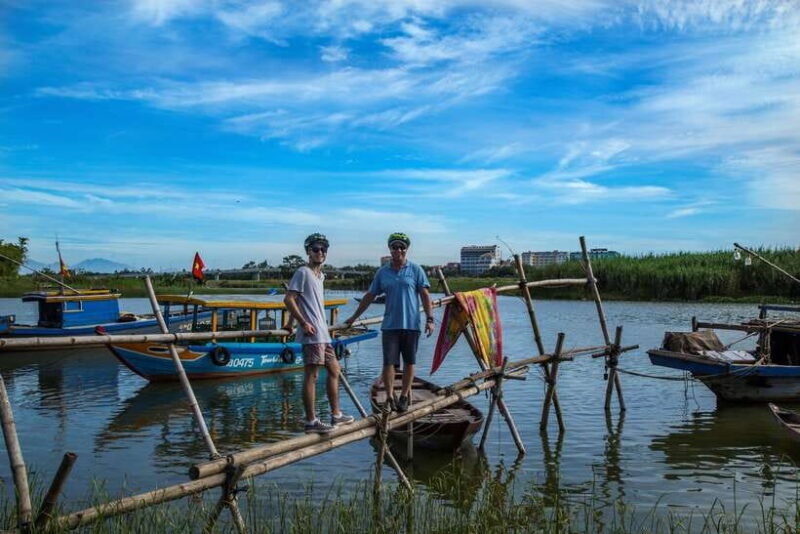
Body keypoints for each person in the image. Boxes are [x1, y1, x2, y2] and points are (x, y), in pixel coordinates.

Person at [345, 232, 434, 413]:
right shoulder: (382, 272)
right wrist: (354, 317)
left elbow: (425, 295)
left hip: (411, 324)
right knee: (389, 363)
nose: (398, 250)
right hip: (390, 326)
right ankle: (390, 397)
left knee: (409, 362)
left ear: (406, 249)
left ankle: (404, 396)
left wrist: (430, 319)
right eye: (395, 247)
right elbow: (370, 296)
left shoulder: (416, 270)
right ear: (390, 249)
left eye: (402, 247)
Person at [284, 233, 355, 433]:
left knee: (334, 370)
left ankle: (336, 414)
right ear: (308, 251)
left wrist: (289, 323)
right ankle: (311, 421)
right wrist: (302, 323)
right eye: (316, 249)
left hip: (323, 333)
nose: (320, 252)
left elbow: (300, 301)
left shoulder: (320, 275)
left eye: (324, 249)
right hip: (312, 333)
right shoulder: (302, 272)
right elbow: (289, 299)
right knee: (312, 375)